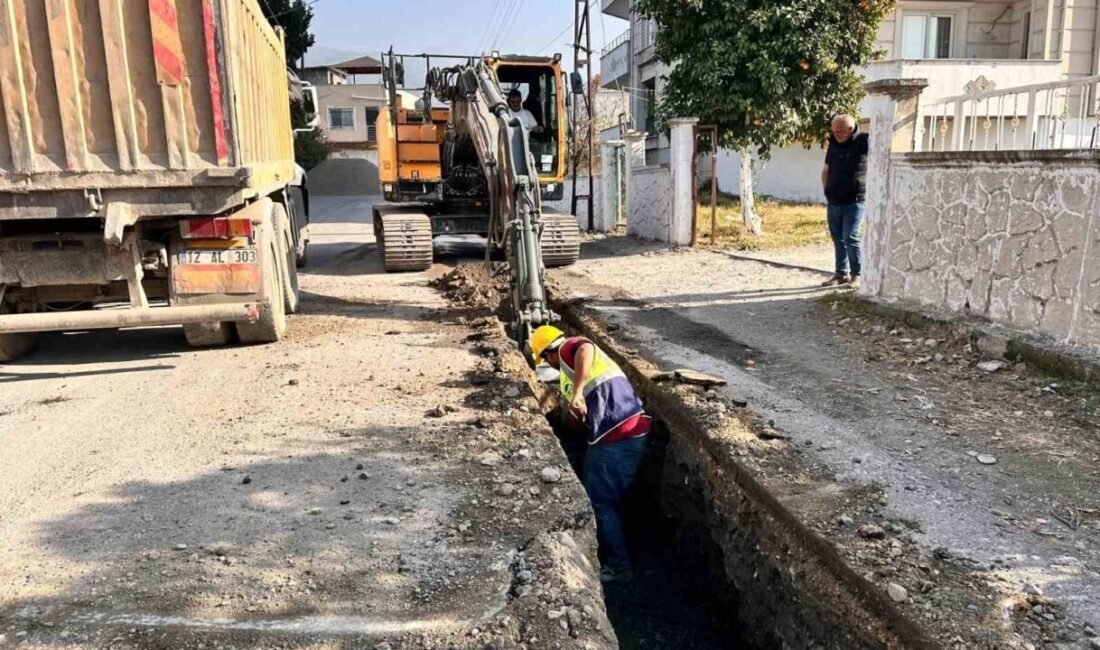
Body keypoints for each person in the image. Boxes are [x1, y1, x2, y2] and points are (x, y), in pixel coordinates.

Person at [529, 325, 650, 584]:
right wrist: (576, 414)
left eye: (546, 359)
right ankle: (623, 550)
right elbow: (578, 420)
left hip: (616, 435)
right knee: (611, 499)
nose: (549, 365)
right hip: (625, 432)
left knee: (600, 501)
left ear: (550, 352)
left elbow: (585, 348)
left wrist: (577, 392)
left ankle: (618, 567)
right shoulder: (568, 373)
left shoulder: (568, 348)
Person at [821, 113, 869, 289]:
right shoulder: (833, 143)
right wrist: (826, 190)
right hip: (834, 200)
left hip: (854, 200)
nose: (836, 135)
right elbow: (826, 169)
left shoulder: (863, 141)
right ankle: (841, 274)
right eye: (834, 131)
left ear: (850, 129)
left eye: (840, 131)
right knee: (838, 238)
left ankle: (857, 274)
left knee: (850, 236)